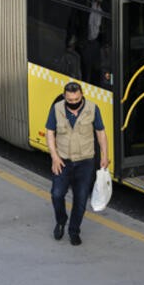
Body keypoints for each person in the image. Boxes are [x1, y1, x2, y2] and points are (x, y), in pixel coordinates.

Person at [46, 82, 108, 246]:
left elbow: (100, 132)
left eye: (76, 99)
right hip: (63, 161)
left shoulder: (93, 108)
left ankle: (74, 231)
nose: (73, 102)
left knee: (80, 200)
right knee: (56, 194)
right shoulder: (57, 108)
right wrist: (54, 156)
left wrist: (105, 155)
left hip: (86, 162)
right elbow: (50, 132)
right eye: (70, 99)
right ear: (65, 96)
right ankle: (61, 221)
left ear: (82, 95)